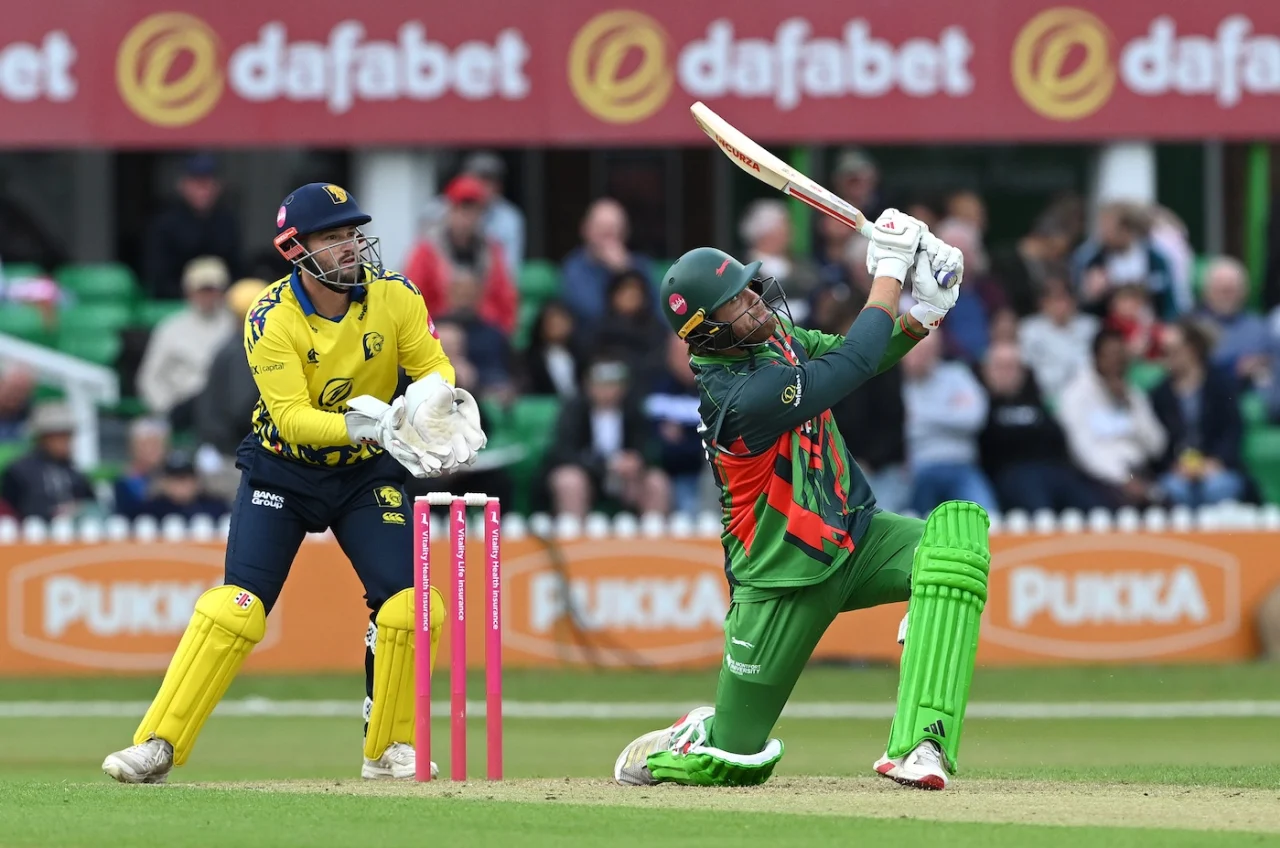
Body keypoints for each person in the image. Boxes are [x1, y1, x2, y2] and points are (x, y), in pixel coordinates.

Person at [102, 182, 487, 786]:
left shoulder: (396, 295)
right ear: (295, 249)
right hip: (283, 469)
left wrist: (433, 401)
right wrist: (377, 424)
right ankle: (158, 743)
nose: (350, 246)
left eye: (352, 233)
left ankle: (389, 747)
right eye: (332, 237)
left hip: (365, 472)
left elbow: (431, 364)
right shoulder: (270, 317)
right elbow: (291, 418)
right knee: (235, 608)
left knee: (411, 606)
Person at [613, 209, 991, 792]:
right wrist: (890, 271)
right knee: (735, 764)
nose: (756, 303)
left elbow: (858, 352)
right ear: (707, 331)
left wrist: (924, 313)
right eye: (738, 302)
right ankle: (694, 739)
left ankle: (921, 744)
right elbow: (853, 362)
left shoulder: (773, 341)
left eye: (749, 289)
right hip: (780, 575)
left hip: (858, 537)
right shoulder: (739, 396)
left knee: (955, 547)